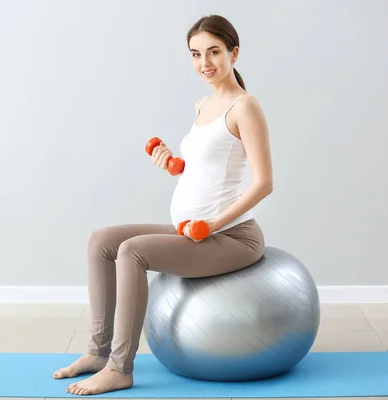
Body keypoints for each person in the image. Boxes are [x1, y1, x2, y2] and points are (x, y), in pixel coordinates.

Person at [52, 14, 274, 395]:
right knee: (100, 241)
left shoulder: (245, 107)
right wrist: (174, 164)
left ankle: (121, 368)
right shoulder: (203, 104)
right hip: (193, 232)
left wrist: (214, 223)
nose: (204, 63)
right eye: (195, 54)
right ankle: (97, 352)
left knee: (132, 252)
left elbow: (264, 183)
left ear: (234, 53)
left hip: (232, 238)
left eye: (214, 52)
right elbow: (208, 169)